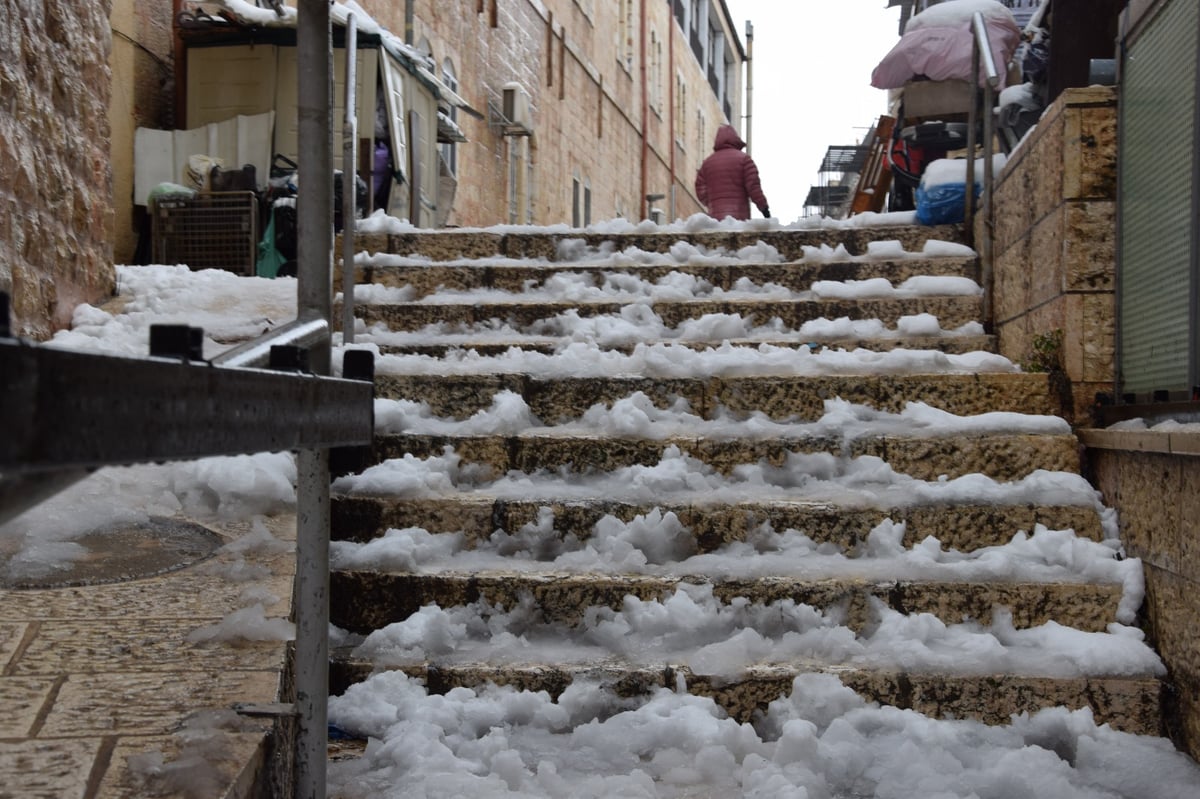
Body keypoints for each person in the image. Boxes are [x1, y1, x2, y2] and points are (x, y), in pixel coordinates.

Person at [694, 125, 770, 221]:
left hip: (716, 219)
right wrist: (764, 209)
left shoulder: (707, 163)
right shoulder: (744, 159)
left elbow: (700, 190)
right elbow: (753, 187)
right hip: (739, 218)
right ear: (735, 139)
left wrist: (712, 202)